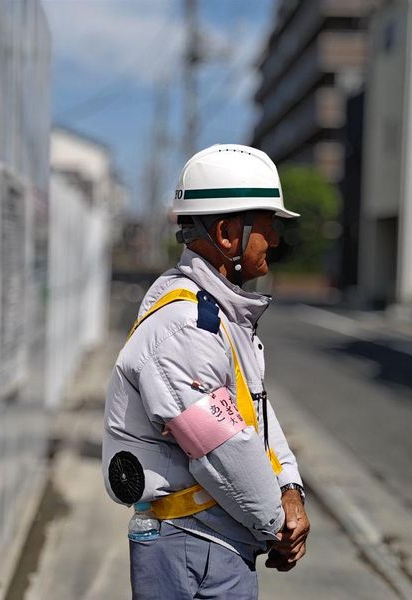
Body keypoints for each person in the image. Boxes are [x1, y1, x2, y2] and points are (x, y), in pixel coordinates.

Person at [102, 144, 310, 600]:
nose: (275, 241)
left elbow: (255, 415)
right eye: (268, 226)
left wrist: (290, 487)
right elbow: (223, 448)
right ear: (227, 233)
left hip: (213, 540)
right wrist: (278, 525)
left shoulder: (218, 314)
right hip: (191, 547)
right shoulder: (184, 330)